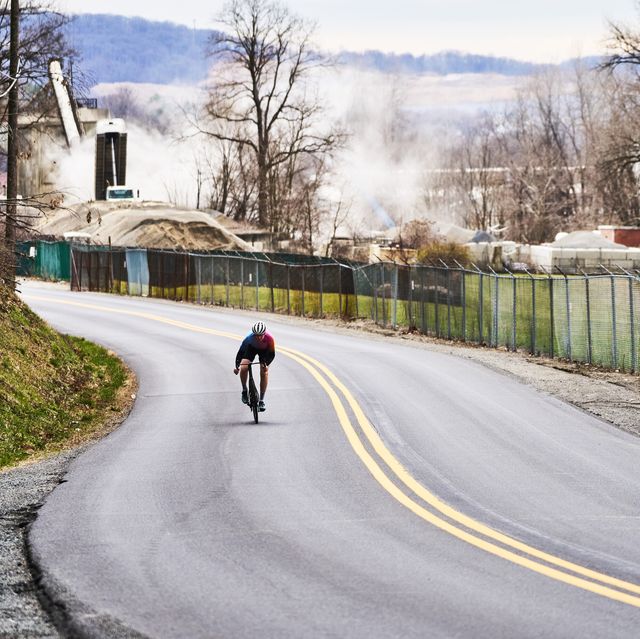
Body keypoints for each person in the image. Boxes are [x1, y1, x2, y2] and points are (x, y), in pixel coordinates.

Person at [233, 321, 275, 412]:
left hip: (265, 351)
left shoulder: (270, 338)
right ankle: (244, 390)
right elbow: (240, 353)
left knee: (264, 372)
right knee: (244, 368)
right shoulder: (249, 338)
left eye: (261, 335)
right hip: (251, 348)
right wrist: (237, 367)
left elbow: (271, 354)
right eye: (256, 335)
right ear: (253, 334)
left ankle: (261, 400)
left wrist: (266, 364)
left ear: (264, 333)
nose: (259, 337)